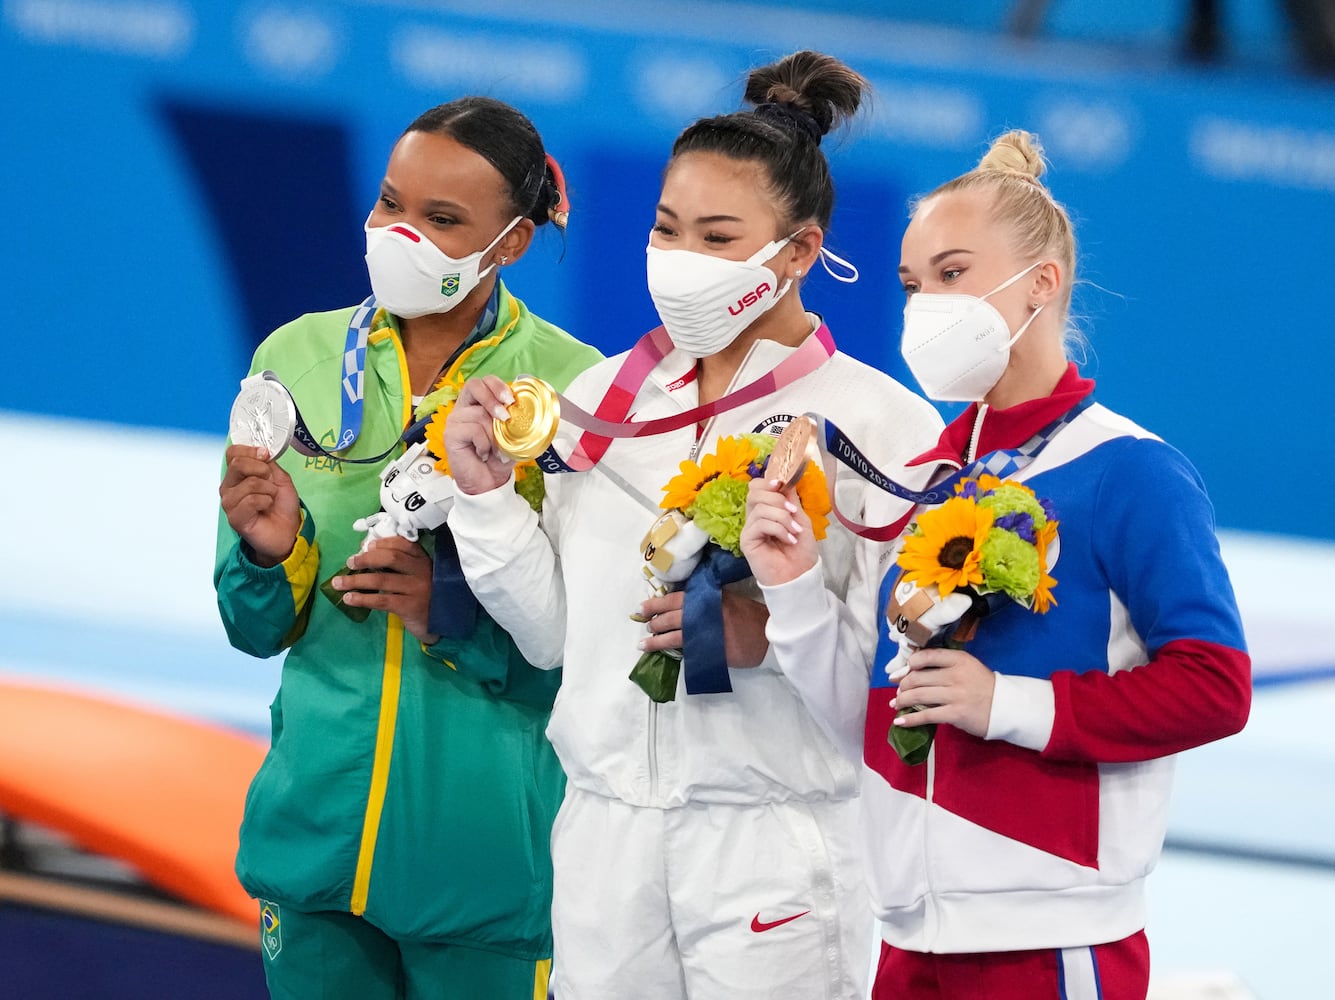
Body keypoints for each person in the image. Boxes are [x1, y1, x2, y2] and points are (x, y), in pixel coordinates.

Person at [441, 51, 943, 1000]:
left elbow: (902, 678)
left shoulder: (878, 428)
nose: (680, 261)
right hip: (602, 836)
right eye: (667, 229)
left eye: (719, 237)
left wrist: (775, 629)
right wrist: (483, 498)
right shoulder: (599, 403)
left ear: (797, 252)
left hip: (769, 842)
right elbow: (554, 637)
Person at [740, 129, 1252, 1000]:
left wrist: (1006, 705)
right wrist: (790, 588)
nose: (923, 304)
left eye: (951, 274)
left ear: (1039, 285)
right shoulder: (919, 482)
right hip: (907, 937)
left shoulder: (1128, 470)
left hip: (1052, 939)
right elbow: (869, 726)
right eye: (911, 284)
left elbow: (1215, 685)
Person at [214, 97, 602, 1000]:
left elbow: (590, 659)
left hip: (486, 867)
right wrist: (269, 556)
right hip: (315, 843)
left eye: (441, 220)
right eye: (391, 204)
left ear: (508, 242)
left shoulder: (572, 393)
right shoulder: (297, 357)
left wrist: (451, 611)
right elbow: (249, 624)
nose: (400, 234)